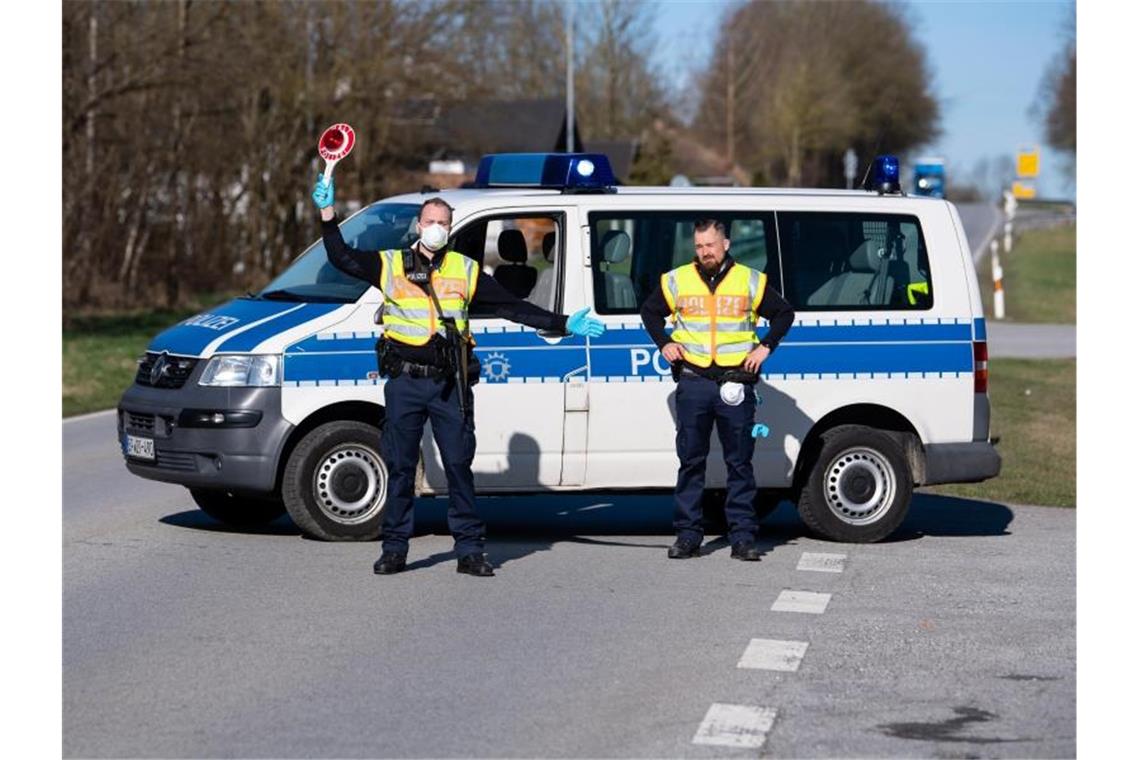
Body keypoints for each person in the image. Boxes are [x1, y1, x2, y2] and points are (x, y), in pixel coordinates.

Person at [311, 177, 605, 577]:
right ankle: (394, 549)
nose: (436, 228)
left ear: (449, 229)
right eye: (430, 220)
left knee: (458, 467)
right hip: (406, 381)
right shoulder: (391, 264)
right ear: (418, 225)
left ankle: (470, 550)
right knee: (399, 467)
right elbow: (341, 257)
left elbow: (513, 308)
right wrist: (328, 215)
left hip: (451, 384)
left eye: (443, 223)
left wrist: (564, 322)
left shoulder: (466, 270)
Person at [640, 218, 795, 561]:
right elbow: (649, 312)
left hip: (735, 382)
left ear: (726, 244)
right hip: (694, 380)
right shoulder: (678, 279)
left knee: (739, 464)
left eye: (710, 245)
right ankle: (688, 536)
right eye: (698, 246)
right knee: (690, 462)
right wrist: (664, 343)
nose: (704, 252)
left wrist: (765, 347)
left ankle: (742, 538)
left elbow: (784, 314)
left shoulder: (749, 280)